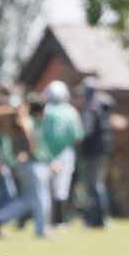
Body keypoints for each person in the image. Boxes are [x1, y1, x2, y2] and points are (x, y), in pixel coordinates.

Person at [0, 94, 52, 238]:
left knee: (28, 199)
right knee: (41, 197)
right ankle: (42, 230)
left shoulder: (21, 121)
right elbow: (32, 145)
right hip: (33, 164)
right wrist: (29, 152)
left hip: (27, 165)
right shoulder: (27, 121)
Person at [41, 81, 84, 230]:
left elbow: (39, 135)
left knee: (46, 188)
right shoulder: (72, 111)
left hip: (46, 153)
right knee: (62, 189)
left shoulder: (46, 111)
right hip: (66, 153)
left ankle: (46, 220)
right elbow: (78, 136)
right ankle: (60, 220)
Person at [76, 76, 115, 228]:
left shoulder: (90, 106)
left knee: (93, 185)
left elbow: (86, 130)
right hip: (103, 149)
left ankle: (98, 219)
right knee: (99, 184)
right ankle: (101, 218)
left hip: (91, 150)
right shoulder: (103, 105)